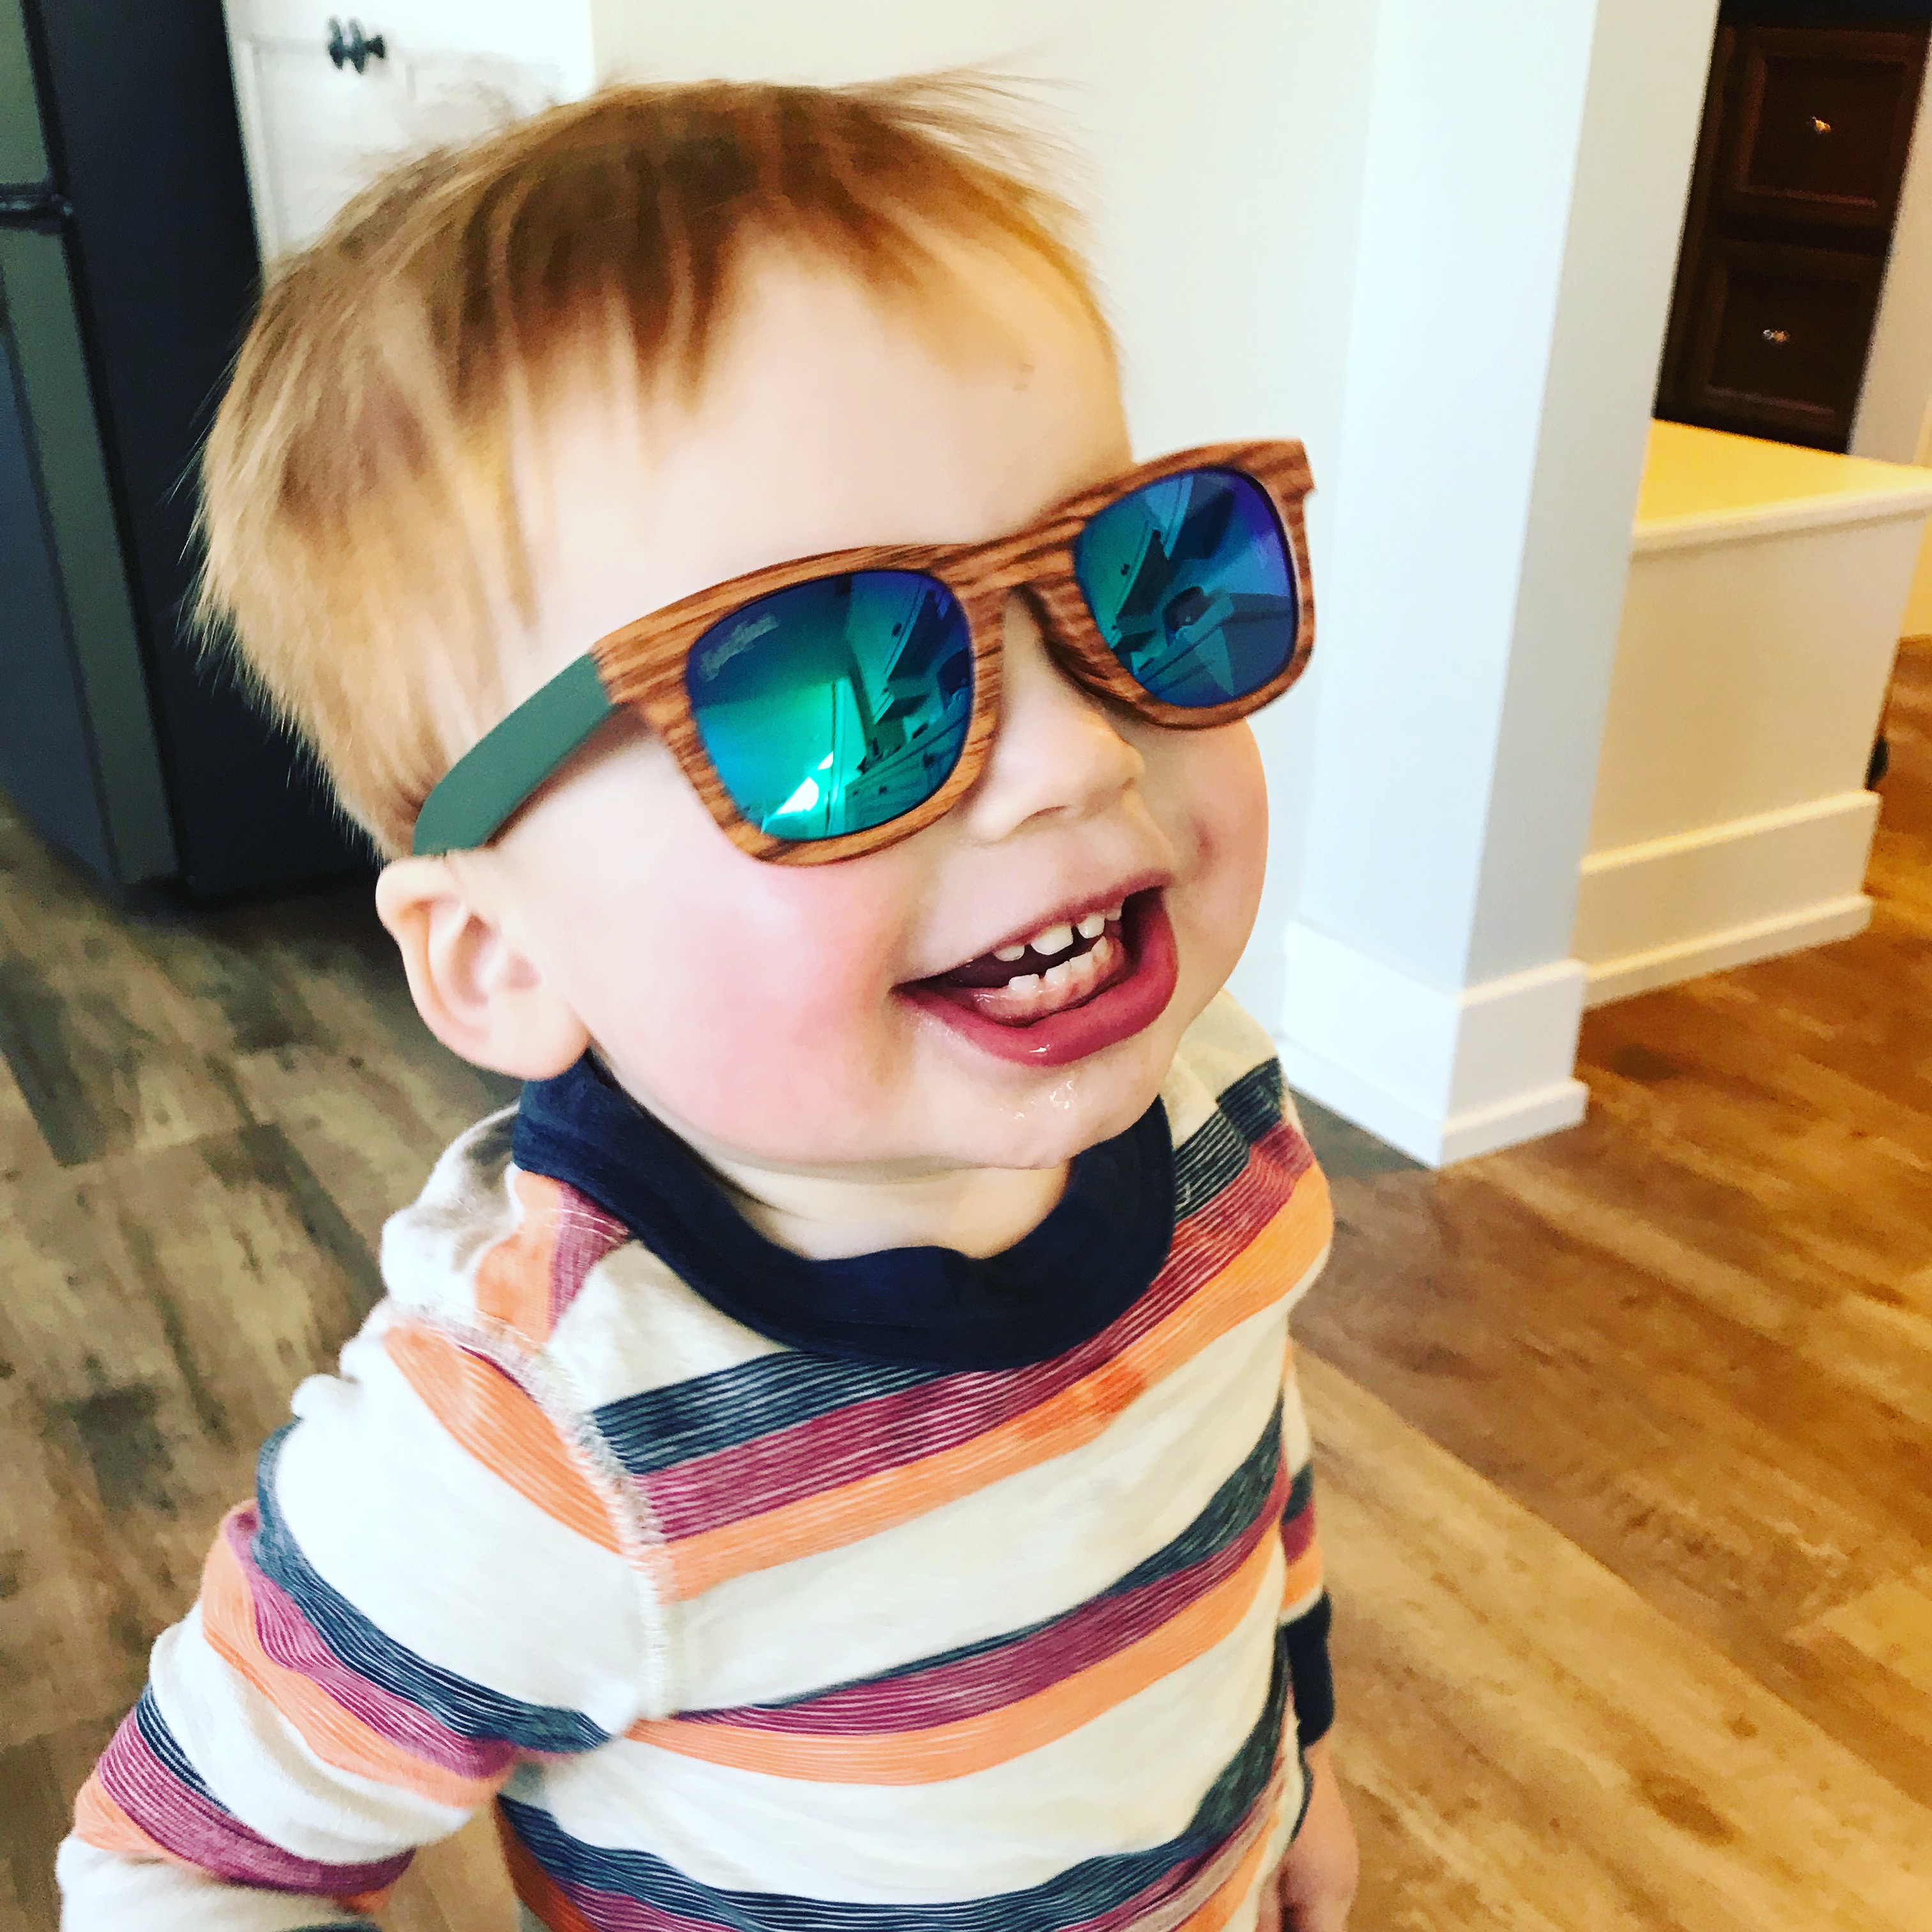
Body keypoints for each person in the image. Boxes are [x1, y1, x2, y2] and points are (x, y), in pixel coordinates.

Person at [58, 78, 1358, 1932]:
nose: (1079, 755)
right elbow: (179, 1862)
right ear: (502, 954)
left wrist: (1302, 1759)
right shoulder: (532, 1452)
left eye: (1137, 583)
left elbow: (1239, 1454)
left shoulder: (1211, 1100)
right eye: (829, 696)